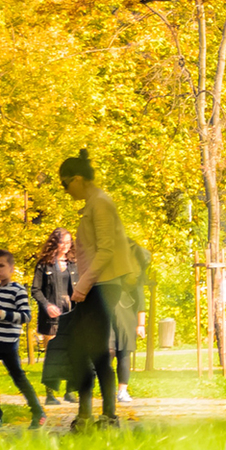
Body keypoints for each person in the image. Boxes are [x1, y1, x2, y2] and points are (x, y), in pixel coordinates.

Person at [59, 149, 136, 432]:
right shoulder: (93, 203)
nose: (66, 191)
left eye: (65, 184)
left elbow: (105, 252)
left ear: (78, 179)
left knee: (97, 350)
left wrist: (81, 285)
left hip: (104, 285)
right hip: (96, 285)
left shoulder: (101, 203)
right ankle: (87, 415)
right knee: (80, 350)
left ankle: (107, 417)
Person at [32, 227, 78, 405]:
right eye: (63, 242)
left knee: (73, 352)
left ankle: (70, 391)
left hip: (72, 314)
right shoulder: (44, 264)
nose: (66, 246)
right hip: (51, 316)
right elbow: (35, 290)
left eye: (69, 242)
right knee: (53, 354)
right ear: (55, 243)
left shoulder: (74, 263)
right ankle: (50, 394)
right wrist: (47, 305)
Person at [0, 249, 46, 429]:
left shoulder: (17, 290)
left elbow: (26, 316)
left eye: (1, 266)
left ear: (11, 269)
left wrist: (4, 314)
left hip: (8, 342)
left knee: (18, 376)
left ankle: (38, 412)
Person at [110, 240, 150, 402]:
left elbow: (141, 301)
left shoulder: (134, 279)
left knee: (123, 353)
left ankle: (122, 390)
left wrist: (141, 324)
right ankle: (110, 390)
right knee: (108, 352)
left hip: (127, 317)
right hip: (111, 315)